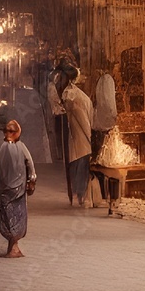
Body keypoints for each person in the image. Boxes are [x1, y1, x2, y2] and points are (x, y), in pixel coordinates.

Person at [0, 119, 36, 258]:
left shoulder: (16, 148)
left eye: (11, 131)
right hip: (7, 190)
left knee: (14, 216)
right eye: (6, 131)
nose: (8, 134)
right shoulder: (7, 148)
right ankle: (13, 245)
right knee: (9, 216)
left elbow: (30, 166)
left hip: (16, 191)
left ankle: (13, 245)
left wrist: (31, 181)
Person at [61, 67, 93, 207]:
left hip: (76, 136)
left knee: (77, 164)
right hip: (82, 138)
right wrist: (90, 137)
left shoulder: (70, 93)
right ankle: (80, 195)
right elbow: (83, 120)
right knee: (81, 165)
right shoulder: (76, 96)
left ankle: (78, 194)